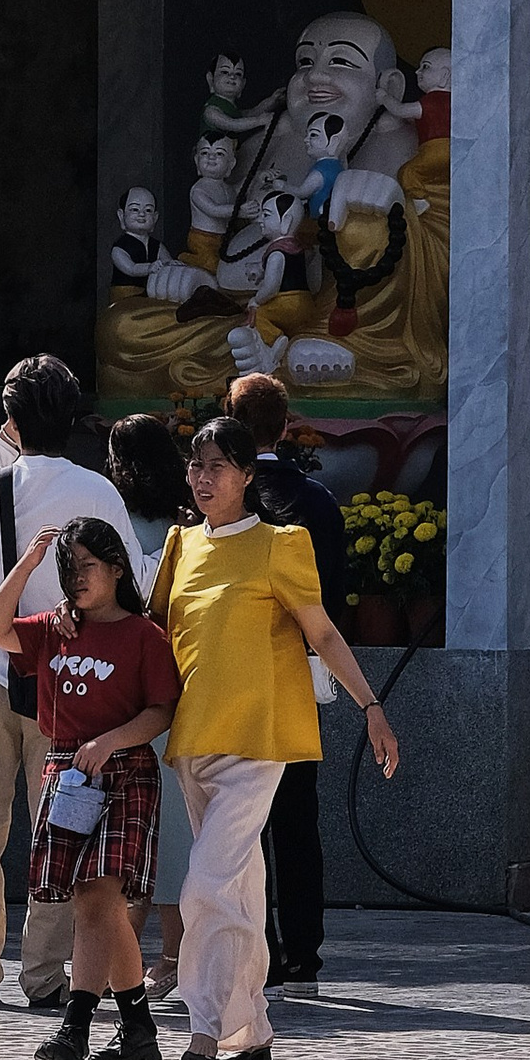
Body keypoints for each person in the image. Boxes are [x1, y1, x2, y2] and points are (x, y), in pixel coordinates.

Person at [152, 414, 396, 1060]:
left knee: (205, 884)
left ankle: (204, 1028)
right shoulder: (179, 546)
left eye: (217, 466)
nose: (203, 478)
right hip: (194, 737)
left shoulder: (279, 543)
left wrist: (370, 705)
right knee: (238, 888)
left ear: (247, 475)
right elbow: (155, 638)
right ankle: (252, 1030)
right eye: (195, 465)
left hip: (259, 740)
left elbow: (323, 634)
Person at [0, 356, 145, 1011]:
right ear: (73, 417)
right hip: (67, 677)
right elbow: (132, 576)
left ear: (10, 418)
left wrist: (10, 427)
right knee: (59, 828)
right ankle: (42, 976)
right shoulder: (97, 491)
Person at [0, 515, 182, 1060]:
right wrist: (29, 565)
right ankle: (138, 1025)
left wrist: (111, 740)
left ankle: (75, 1028)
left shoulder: (144, 636)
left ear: (117, 568)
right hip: (67, 771)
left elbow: (161, 710)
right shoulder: (54, 629)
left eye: (87, 566)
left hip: (125, 770)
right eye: (69, 568)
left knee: (96, 899)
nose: (76, 578)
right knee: (99, 905)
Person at [225, 367, 350, 1001]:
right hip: (302, 670)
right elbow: (335, 601)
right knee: (297, 815)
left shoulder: (227, 503)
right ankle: (303, 948)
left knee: (240, 816)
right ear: (285, 423)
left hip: (237, 675)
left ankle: (260, 947)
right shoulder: (319, 501)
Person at [107, 409, 193, 997]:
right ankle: (166, 956)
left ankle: (139, 957)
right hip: (177, 683)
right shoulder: (186, 523)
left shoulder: (109, 521)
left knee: (134, 821)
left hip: (124, 687)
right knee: (176, 826)